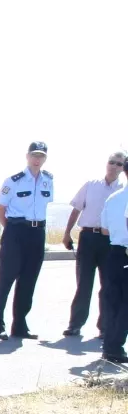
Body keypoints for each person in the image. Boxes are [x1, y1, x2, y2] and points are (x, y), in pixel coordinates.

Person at [0, 142, 54, 340]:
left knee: (29, 280)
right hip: (16, 231)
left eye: (41, 156)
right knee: (6, 279)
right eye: (34, 155)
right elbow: (0, 209)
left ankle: (20, 326)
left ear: (45, 158)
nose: (37, 159)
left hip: (37, 233)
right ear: (27, 156)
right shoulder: (14, 181)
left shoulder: (48, 180)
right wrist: (11, 229)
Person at [62, 152, 126, 336]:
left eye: (119, 164)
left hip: (110, 241)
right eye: (111, 162)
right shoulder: (91, 185)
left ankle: (105, 327)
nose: (114, 166)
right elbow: (76, 209)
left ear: (123, 168)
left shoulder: (123, 190)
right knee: (83, 284)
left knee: (108, 285)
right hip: (88, 238)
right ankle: (75, 324)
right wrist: (67, 233)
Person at [98, 180, 128, 363]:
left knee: (113, 303)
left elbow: (104, 230)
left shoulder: (113, 198)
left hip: (115, 252)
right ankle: (114, 347)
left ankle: (110, 347)